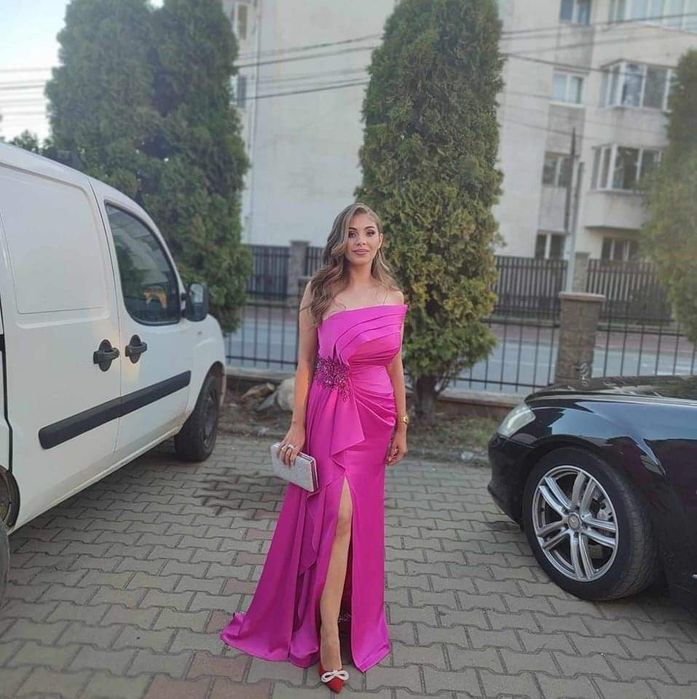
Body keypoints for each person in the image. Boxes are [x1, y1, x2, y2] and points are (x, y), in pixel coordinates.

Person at [220, 202, 409, 693]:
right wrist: (297, 425)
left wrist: (402, 424)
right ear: (340, 240)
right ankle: (326, 634)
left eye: (370, 232)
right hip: (330, 413)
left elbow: (394, 363)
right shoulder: (320, 290)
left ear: (381, 239)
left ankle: (344, 612)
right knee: (337, 516)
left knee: (357, 521)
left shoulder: (393, 295)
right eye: (353, 232)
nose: (362, 241)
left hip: (377, 418)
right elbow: (305, 363)